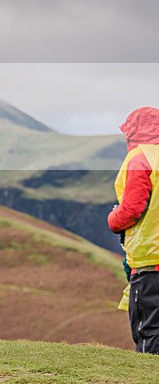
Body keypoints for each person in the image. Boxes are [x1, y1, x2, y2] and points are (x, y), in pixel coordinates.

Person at [107, 107, 159, 353]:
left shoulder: (141, 158)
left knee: (150, 333)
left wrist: (113, 219)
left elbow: (132, 209)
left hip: (151, 260)